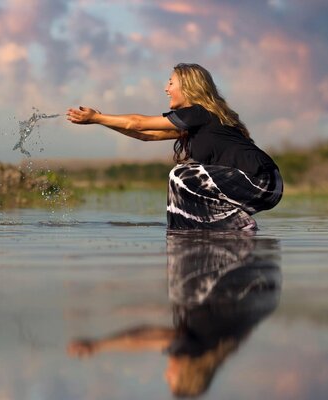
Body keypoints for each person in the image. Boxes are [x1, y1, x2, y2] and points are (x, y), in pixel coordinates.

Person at [67, 63, 283, 230]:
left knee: (180, 175)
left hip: (261, 181)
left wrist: (98, 117)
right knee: (182, 184)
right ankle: (200, 230)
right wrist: (99, 121)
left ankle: (238, 225)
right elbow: (145, 135)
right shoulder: (198, 121)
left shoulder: (197, 112)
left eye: (171, 83)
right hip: (266, 186)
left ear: (188, 87)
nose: (166, 89)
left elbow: (138, 122)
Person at [68, 231, 282, 397]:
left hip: (265, 276)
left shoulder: (221, 344)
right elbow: (142, 338)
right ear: (187, 374)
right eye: (171, 379)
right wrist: (98, 346)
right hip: (239, 274)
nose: (166, 374)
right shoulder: (195, 349)